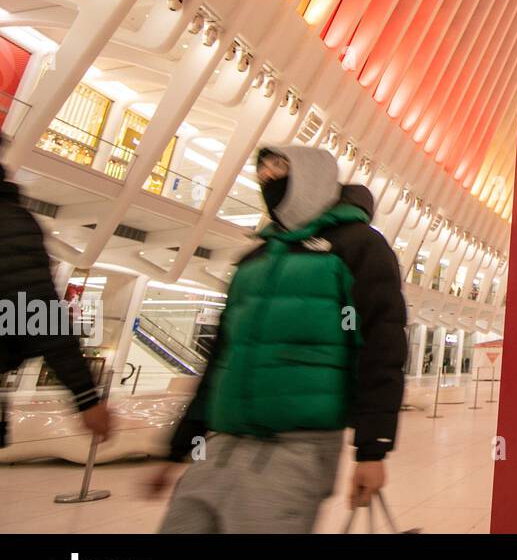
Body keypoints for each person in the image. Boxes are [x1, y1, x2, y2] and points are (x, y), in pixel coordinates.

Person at [147, 145, 407, 532]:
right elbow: (221, 358)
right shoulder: (255, 259)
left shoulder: (358, 248)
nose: (268, 177)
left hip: (297, 449)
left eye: (279, 168)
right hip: (221, 445)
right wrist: (180, 446)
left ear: (312, 176)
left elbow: (379, 346)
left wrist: (373, 449)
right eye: (263, 170)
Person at [0, 160, 112, 449]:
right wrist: (86, 397)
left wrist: (85, 396)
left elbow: (37, 312)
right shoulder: (12, 220)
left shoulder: (9, 223)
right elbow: (39, 314)